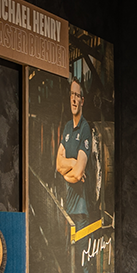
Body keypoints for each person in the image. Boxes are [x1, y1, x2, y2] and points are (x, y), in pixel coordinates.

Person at [55, 78, 97, 233]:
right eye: (72, 95)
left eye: (77, 96)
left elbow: (78, 174)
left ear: (82, 101)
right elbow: (58, 164)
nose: (74, 99)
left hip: (81, 213)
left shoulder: (85, 129)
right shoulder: (67, 127)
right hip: (67, 208)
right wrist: (73, 162)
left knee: (80, 255)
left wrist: (66, 173)